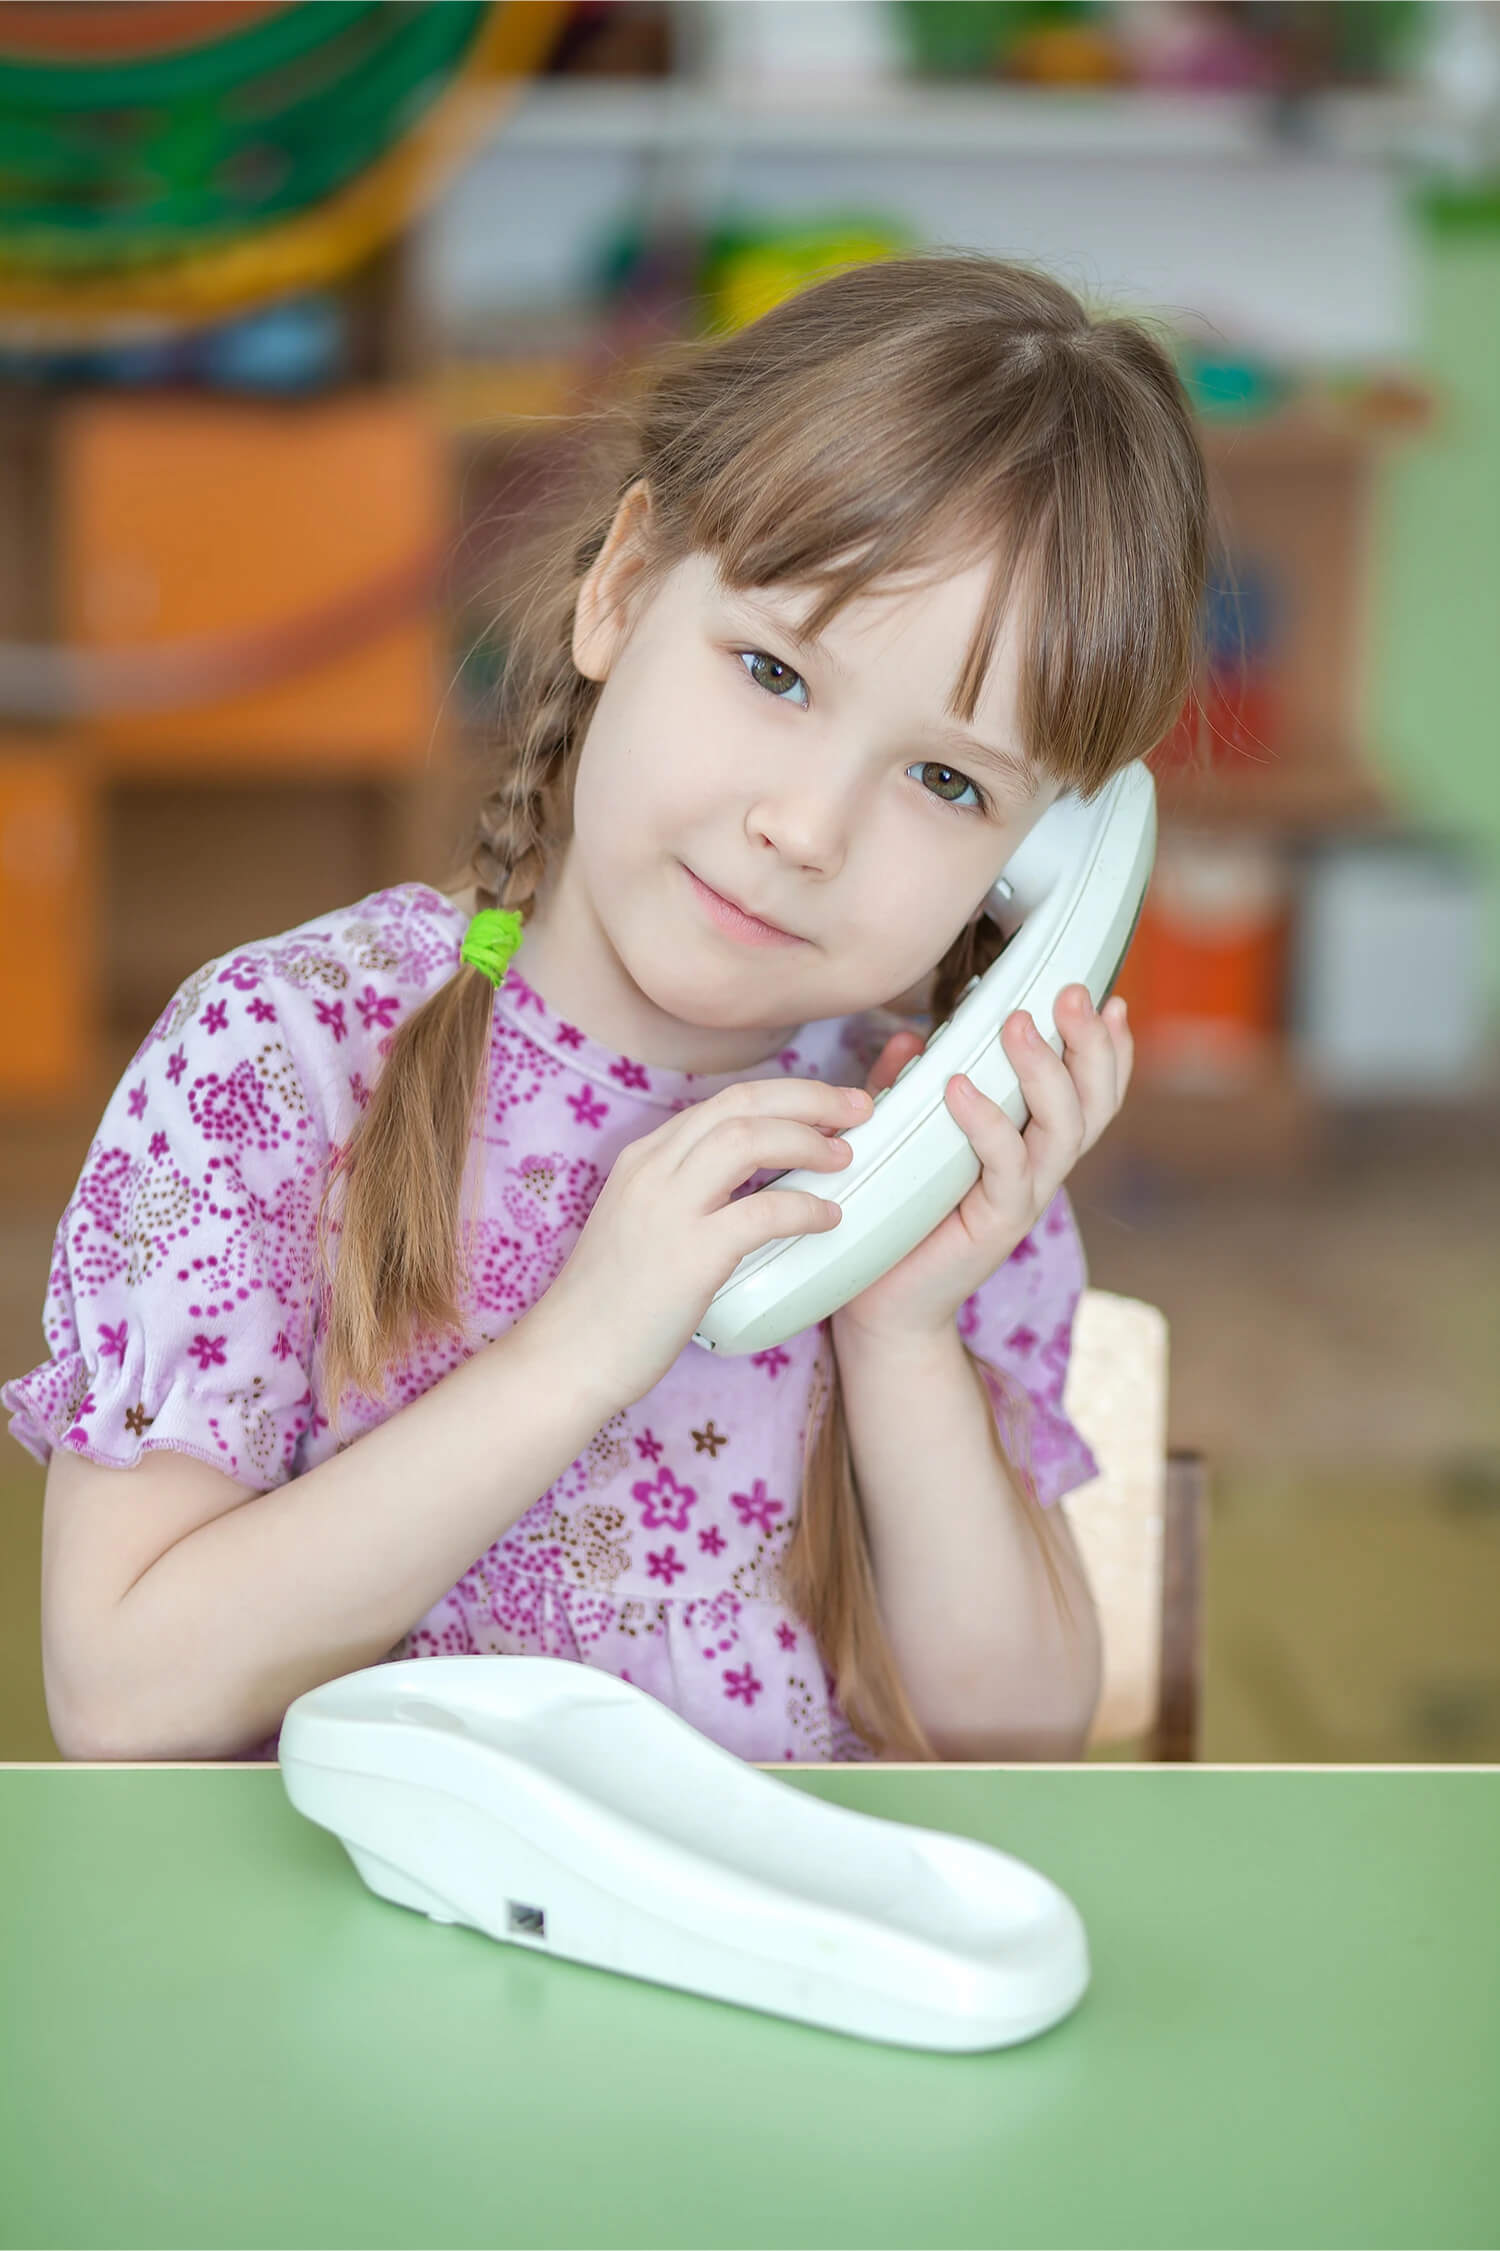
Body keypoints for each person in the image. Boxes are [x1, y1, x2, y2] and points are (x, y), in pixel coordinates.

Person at [5, 252, 1211, 1768]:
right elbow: (124, 1704)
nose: (808, 827)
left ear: (1037, 868)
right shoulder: (279, 1061)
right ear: (624, 587)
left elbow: (1018, 1739)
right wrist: (582, 1349)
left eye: (949, 781)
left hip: (765, 1969)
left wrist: (904, 1332)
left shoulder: (928, 1151)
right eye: (775, 671)